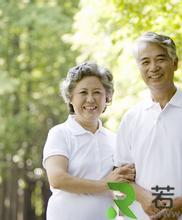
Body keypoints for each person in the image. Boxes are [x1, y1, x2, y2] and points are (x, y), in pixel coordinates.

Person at [114, 32, 182, 220]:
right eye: (145, 62)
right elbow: (120, 176)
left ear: (175, 63)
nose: (153, 67)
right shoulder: (131, 118)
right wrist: (142, 198)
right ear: (139, 68)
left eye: (160, 59)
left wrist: (180, 205)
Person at [42, 62, 135, 220]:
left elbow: (122, 188)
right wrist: (105, 184)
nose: (90, 99)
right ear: (70, 97)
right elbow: (57, 179)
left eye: (97, 92)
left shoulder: (114, 140)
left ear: (107, 97)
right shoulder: (60, 133)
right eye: (83, 92)